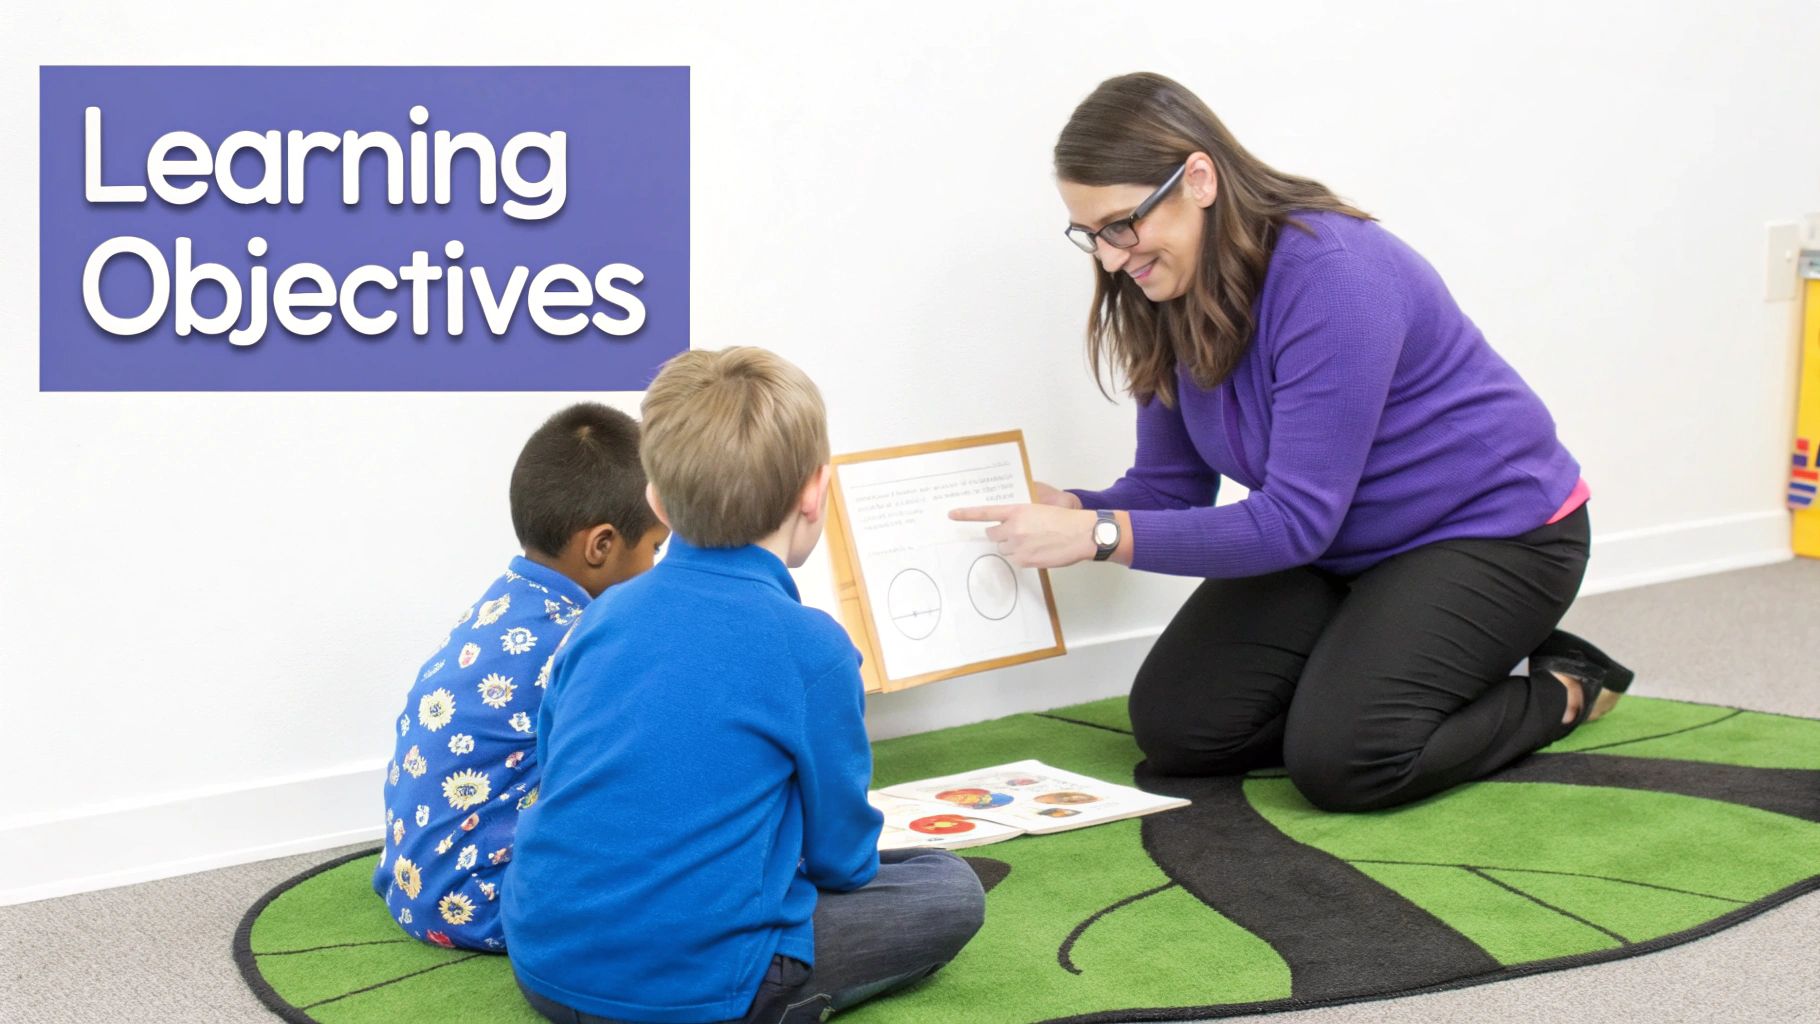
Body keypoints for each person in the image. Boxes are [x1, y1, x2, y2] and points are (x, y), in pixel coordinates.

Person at [951, 72, 1632, 813]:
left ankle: (1564, 689)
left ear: (1199, 179)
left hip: (1496, 533)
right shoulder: (1162, 289)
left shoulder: (1333, 275)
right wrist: (1073, 506)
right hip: (1335, 544)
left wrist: (1096, 535)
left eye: (1123, 225)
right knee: (1180, 731)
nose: (1112, 258)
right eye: (1091, 235)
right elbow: (1169, 491)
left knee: (1347, 761)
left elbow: (1293, 521)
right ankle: (1373, 664)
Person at [503, 347, 985, 1023]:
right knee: (950, 888)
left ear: (655, 500)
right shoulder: (814, 647)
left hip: (546, 968)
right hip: (700, 988)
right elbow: (842, 861)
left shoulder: (599, 615)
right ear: (816, 491)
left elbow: (559, 774)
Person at [374, 402, 667, 950]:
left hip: (411, 885)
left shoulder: (502, 605)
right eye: (655, 547)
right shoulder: (581, 639)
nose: (658, 565)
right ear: (601, 545)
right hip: (488, 906)